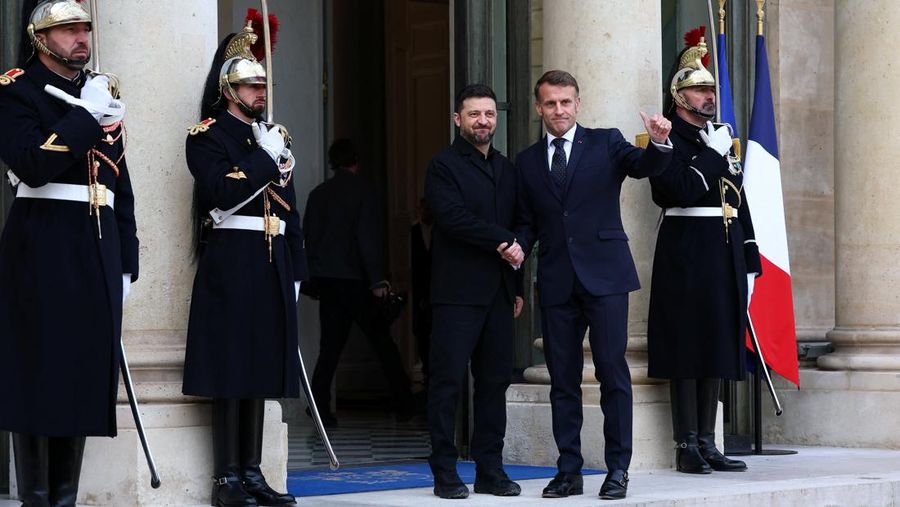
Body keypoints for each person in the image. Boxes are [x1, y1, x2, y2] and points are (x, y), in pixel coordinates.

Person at [507, 70, 672, 500]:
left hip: (606, 276)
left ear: (578, 104)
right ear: (538, 107)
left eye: (566, 102)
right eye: (550, 103)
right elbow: (527, 221)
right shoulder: (525, 162)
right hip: (558, 281)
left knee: (612, 372)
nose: (558, 110)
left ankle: (618, 469)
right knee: (562, 379)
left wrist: (657, 142)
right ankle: (569, 470)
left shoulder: (605, 141)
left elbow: (643, 167)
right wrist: (519, 247)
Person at [0, 1, 137, 505]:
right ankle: (38, 499)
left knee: (81, 373)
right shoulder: (16, 90)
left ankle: (64, 499)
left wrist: (128, 257)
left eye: (85, 28)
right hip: (42, 242)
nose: (81, 37)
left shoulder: (97, 91)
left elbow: (120, 179)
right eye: (68, 30)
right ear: (41, 38)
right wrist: (83, 116)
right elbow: (34, 165)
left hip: (95, 243)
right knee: (39, 374)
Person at [182, 19, 304, 507]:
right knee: (231, 370)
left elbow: (292, 209)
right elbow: (224, 193)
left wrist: (297, 268)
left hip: (272, 260)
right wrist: (264, 160)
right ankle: (226, 478)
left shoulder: (274, 135)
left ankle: (253, 472)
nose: (261, 92)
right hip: (232, 259)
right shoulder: (207, 136)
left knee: (260, 369)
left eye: (263, 85)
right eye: (252, 85)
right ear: (229, 89)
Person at [646, 28, 759, 474]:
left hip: (722, 250)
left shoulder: (718, 136)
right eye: (698, 88)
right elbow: (676, 191)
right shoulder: (668, 140)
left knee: (715, 343)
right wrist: (711, 156)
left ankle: (709, 441)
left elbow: (737, 197)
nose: (708, 94)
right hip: (686, 251)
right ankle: (685, 444)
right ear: (679, 95)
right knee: (686, 346)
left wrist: (749, 257)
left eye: (710, 87)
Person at [424, 83, 524, 499]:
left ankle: (490, 470)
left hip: (500, 294)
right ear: (457, 119)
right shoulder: (443, 166)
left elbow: (520, 224)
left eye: (489, 114)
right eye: (474, 114)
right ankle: (445, 471)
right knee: (446, 383)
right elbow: (451, 218)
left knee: (493, 384)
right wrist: (502, 240)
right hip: (456, 294)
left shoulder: (506, 167)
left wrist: (516, 286)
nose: (483, 121)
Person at [304, 139, 414, 427]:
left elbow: (309, 239)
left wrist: (311, 279)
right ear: (356, 161)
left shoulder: (318, 194)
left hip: (329, 281)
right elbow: (367, 238)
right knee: (383, 345)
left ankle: (318, 408)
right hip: (357, 281)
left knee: (329, 349)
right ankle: (404, 401)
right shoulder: (363, 192)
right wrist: (377, 279)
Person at [410, 198, 434, 386]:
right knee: (422, 336)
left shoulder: (442, 231)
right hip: (419, 293)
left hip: (438, 291)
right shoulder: (413, 231)